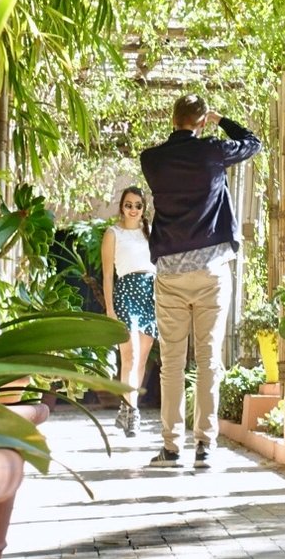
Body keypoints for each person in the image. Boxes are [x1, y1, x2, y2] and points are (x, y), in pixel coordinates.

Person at [139, 94, 261, 468]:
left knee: (172, 363)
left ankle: (171, 446)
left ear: (172, 119)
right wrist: (222, 119)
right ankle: (205, 445)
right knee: (208, 360)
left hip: (170, 274)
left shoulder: (151, 159)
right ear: (202, 120)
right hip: (210, 270)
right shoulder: (212, 152)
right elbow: (252, 143)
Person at [100, 185, 156, 438]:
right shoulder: (113, 233)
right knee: (130, 355)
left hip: (150, 294)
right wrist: (110, 308)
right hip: (125, 292)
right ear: (121, 207)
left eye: (138, 206)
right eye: (128, 205)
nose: (133, 210)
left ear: (144, 209)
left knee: (142, 358)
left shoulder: (150, 233)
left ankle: (126, 408)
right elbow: (108, 275)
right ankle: (132, 412)